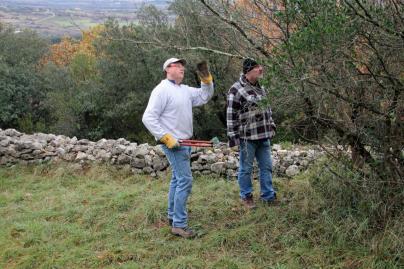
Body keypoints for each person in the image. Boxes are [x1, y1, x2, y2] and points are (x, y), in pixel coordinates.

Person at [142, 57, 214, 238]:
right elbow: (148, 118)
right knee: (185, 181)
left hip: (186, 142)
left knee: (177, 180)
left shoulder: (184, 90)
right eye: (178, 66)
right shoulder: (161, 90)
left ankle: (173, 217)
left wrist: (206, 80)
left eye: (183, 66)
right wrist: (166, 138)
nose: (182, 68)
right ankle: (179, 225)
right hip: (174, 145)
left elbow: (205, 96)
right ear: (168, 69)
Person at [226, 58, 277, 209]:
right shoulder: (236, 89)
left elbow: (268, 109)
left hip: (264, 136)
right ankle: (246, 197)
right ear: (248, 71)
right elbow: (230, 116)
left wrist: (272, 125)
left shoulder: (262, 88)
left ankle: (268, 196)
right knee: (245, 169)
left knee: (266, 167)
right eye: (257, 68)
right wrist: (233, 139)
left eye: (260, 66)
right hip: (247, 138)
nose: (260, 69)